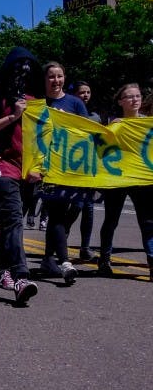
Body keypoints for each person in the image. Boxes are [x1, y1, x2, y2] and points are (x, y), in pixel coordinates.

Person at [0, 47, 42, 303]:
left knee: (11, 225)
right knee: (12, 221)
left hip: (30, 171)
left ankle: (1, 268)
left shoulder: (38, 98)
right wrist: (12, 116)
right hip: (3, 168)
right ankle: (21, 276)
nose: (22, 72)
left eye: (28, 67)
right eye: (17, 67)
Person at [37, 62, 90, 284]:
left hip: (73, 168)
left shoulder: (75, 103)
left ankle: (49, 257)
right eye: (51, 76)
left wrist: (66, 123)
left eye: (59, 76)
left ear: (64, 78)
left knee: (73, 211)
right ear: (45, 80)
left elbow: (87, 132)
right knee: (57, 212)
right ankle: (65, 262)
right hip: (48, 169)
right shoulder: (37, 104)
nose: (55, 80)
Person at [97, 83, 153, 277]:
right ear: (121, 101)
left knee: (148, 223)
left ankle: (152, 261)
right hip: (117, 179)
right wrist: (110, 129)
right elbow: (101, 149)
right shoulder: (115, 124)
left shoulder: (148, 124)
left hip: (142, 180)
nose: (135, 99)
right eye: (129, 97)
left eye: (137, 96)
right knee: (111, 220)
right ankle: (104, 259)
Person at [69, 80, 101, 262]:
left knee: (88, 209)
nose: (86, 95)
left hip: (89, 169)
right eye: (82, 92)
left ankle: (85, 247)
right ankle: (61, 236)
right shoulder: (67, 116)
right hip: (71, 169)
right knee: (76, 207)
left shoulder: (95, 117)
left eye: (88, 92)